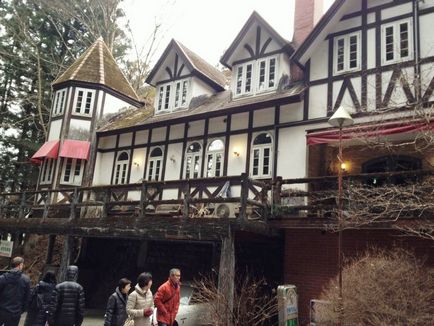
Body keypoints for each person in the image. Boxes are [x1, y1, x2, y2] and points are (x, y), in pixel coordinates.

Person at [0, 256, 30, 326]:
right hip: (15, 313)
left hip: (1, 310)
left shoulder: (2, 278)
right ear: (20, 265)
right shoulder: (26, 280)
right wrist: (21, 310)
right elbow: (27, 298)